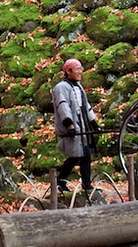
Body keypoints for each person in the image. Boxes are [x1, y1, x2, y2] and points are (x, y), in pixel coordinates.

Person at [51, 58, 99, 194]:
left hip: (82, 124)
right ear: (68, 71)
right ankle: (61, 181)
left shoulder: (78, 86)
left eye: (80, 69)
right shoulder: (61, 87)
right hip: (73, 126)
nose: (80, 72)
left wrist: (93, 123)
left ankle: (86, 184)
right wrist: (69, 125)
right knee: (75, 155)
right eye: (77, 69)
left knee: (85, 155)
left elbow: (85, 105)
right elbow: (63, 106)